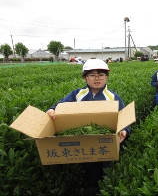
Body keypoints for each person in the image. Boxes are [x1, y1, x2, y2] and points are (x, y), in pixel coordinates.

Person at [46, 58, 131, 194]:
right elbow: (60, 106)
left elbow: (124, 118)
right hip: (86, 143)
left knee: (109, 171)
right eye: (92, 75)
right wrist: (51, 110)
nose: (97, 78)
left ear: (106, 77)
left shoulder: (113, 97)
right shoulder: (77, 95)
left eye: (101, 75)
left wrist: (124, 130)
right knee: (92, 172)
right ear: (85, 78)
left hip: (107, 142)